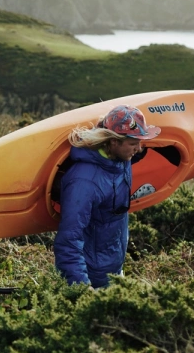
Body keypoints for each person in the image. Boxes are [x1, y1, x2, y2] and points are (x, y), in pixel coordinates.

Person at [54, 105, 161, 288]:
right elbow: (69, 241)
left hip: (114, 269)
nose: (139, 148)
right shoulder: (84, 182)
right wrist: (82, 289)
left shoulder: (119, 159)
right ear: (113, 142)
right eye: (134, 144)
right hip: (91, 278)